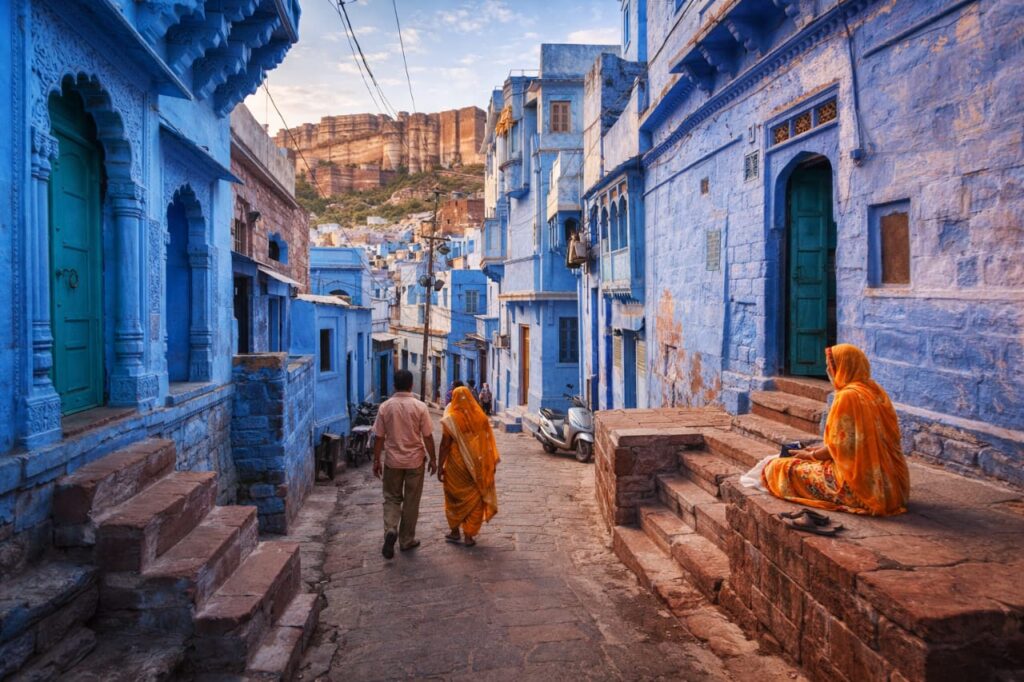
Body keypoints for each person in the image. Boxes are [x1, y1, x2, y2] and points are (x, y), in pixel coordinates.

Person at [762, 344, 910, 516]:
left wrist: (810, 456)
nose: (828, 370)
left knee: (777, 467)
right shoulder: (874, 390)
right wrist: (816, 451)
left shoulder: (847, 397)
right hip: (894, 488)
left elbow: (841, 447)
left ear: (844, 367)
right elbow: (852, 443)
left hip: (859, 488)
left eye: (830, 365)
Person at [372, 369, 436, 559]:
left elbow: (378, 437)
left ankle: (391, 529)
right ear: (411, 385)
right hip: (415, 461)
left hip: (393, 461)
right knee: (411, 500)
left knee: (391, 498)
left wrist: (377, 460)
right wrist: (433, 458)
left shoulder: (385, 407)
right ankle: (407, 539)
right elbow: (428, 436)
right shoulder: (420, 407)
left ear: (394, 385)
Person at [438, 386, 499, 547]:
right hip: (477, 465)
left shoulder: (451, 419)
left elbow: (444, 445)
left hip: (456, 466)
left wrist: (439, 466)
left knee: (454, 498)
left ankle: (454, 531)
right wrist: (489, 464)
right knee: (476, 498)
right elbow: (488, 444)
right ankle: (469, 536)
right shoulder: (482, 418)